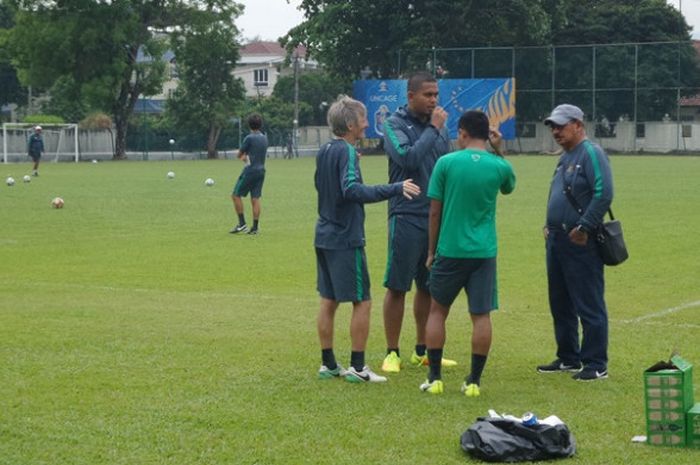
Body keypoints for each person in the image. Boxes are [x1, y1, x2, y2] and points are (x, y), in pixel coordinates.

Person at [314, 95, 420, 383]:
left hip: (323, 235)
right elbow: (351, 190)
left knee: (328, 299)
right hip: (345, 237)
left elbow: (323, 186)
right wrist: (395, 188)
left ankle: (328, 365)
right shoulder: (346, 152)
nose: (367, 124)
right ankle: (358, 368)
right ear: (350, 124)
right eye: (363, 119)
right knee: (362, 301)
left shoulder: (325, 150)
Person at [419, 111, 515, 396]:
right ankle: (473, 381)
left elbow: (434, 211)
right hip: (483, 252)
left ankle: (435, 378)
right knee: (481, 315)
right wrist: (499, 149)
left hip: (450, 249)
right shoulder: (499, 167)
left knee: (437, 311)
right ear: (487, 134)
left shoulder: (446, 163)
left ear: (462, 133)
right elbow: (509, 185)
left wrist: (431, 251)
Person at [380, 71, 456, 373]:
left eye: (436, 95)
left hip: (436, 218)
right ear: (410, 96)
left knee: (430, 287)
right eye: (428, 95)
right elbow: (408, 159)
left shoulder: (440, 129)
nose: (434, 100)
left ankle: (422, 350)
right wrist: (433, 130)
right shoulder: (394, 125)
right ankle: (392, 352)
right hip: (406, 215)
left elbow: (446, 167)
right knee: (398, 286)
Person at [537, 104, 614, 382]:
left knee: (588, 301)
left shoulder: (591, 153)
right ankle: (568, 357)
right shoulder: (566, 156)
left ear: (578, 125)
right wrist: (549, 224)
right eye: (553, 127)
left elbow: (603, 193)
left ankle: (595, 362)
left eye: (561, 125)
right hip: (557, 238)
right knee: (560, 301)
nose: (556, 131)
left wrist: (584, 226)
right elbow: (558, 193)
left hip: (581, 240)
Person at [230, 114, 268, 235]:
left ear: (249, 125)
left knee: (235, 195)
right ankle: (255, 228)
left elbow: (239, 155)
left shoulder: (249, 138)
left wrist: (244, 158)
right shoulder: (264, 138)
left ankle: (242, 224)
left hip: (250, 171)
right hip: (261, 171)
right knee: (255, 198)